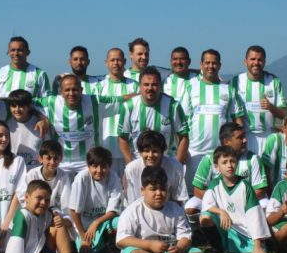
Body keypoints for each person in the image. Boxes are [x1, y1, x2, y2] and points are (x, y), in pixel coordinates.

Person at [116, 167, 209, 253]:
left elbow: (185, 236)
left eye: (163, 189)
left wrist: (179, 248)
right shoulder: (132, 211)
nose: (158, 193)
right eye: (153, 189)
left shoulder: (175, 209)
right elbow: (121, 240)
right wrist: (149, 245)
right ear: (142, 190)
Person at [0, 180, 90, 253]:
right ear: (26, 198)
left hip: (40, 251)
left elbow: (64, 218)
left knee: (58, 223)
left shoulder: (47, 212)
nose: (43, 202)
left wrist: (60, 219)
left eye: (47, 200)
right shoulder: (22, 214)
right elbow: (16, 240)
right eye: (39, 198)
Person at [34, 74, 126, 177]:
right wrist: (42, 118)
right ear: (61, 92)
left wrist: (141, 95)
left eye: (75, 89)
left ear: (81, 90)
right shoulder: (51, 102)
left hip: (87, 162)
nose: (71, 93)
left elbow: (122, 100)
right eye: (67, 90)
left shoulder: (94, 101)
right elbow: (28, 103)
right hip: (60, 162)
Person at [180, 49, 246, 187]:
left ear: (220, 65)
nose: (211, 66)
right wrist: (182, 148)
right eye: (207, 62)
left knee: (220, 190)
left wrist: (238, 146)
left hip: (221, 151)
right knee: (194, 192)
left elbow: (238, 121)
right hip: (195, 151)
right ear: (201, 65)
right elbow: (181, 122)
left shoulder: (228, 89)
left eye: (214, 63)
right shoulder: (191, 88)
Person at [199, 146, 270, 253]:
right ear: (216, 166)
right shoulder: (215, 184)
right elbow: (207, 204)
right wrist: (221, 212)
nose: (229, 165)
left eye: (232, 161)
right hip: (226, 229)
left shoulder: (245, 186)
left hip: (245, 232)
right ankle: (219, 252)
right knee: (205, 217)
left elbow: (255, 216)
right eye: (224, 162)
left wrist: (257, 245)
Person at [118, 66, 189, 165]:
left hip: (166, 162)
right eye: (146, 84)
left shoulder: (173, 106)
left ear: (160, 86)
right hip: (138, 162)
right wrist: (130, 164)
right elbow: (122, 138)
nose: (150, 88)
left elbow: (184, 137)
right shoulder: (128, 106)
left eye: (154, 85)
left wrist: (177, 164)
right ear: (140, 86)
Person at [190, 122, 268, 210]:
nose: (245, 140)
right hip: (217, 204)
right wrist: (222, 204)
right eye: (240, 137)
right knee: (191, 207)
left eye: (244, 136)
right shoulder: (209, 159)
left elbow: (260, 190)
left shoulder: (253, 159)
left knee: (265, 204)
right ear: (226, 141)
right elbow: (197, 190)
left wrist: (237, 204)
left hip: (246, 204)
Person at [230, 45, 287, 155]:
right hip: (246, 137)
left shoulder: (274, 81)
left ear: (264, 62)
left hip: (269, 136)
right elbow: (232, 113)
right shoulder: (236, 81)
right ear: (245, 61)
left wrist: (270, 107)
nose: (256, 63)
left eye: (259, 60)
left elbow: (284, 114)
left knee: (270, 171)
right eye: (252, 59)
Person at [67, 147, 123, 253]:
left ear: (109, 166)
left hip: (104, 222)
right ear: (88, 166)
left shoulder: (113, 178)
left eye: (104, 166)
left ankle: (109, 242)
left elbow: (113, 211)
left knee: (120, 222)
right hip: (85, 226)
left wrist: (96, 223)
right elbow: (74, 211)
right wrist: (83, 236)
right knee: (87, 252)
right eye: (95, 166)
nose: (99, 170)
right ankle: (103, 246)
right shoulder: (81, 178)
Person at [93, 48, 139, 176]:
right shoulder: (98, 87)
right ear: (106, 62)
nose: (116, 63)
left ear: (124, 62)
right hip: (105, 147)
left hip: (129, 149)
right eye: (112, 60)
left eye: (119, 60)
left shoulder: (135, 86)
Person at [0, 121, 28, 238]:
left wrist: (7, 221)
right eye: (0, 135)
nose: (4, 139)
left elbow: (20, 192)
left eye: (7, 136)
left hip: (10, 218)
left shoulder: (18, 161)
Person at [122, 131, 189, 207]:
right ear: (140, 152)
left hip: (168, 211)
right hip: (139, 211)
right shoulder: (131, 169)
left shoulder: (176, 167)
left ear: (162, 152)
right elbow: (131, 202)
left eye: (155, 151)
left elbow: (179, 199)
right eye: (146, 151)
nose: (150, 155)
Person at [25, 139, 73, 214]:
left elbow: (66, 205)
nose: (52, 162)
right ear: (40, 159)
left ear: (61, 159)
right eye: (48, 158)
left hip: (55, 215)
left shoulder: (64, 176)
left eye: (56, 158)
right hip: (34, 213)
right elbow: (26, 201)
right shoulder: (31, 174)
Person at [6, 89, 49, 170]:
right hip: (13, 170)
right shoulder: (6, 125)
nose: (17, 109)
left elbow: (47, 148)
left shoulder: (40, 124)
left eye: (21, 106)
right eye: (14, 106)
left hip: (35, 170)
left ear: (29, 107)